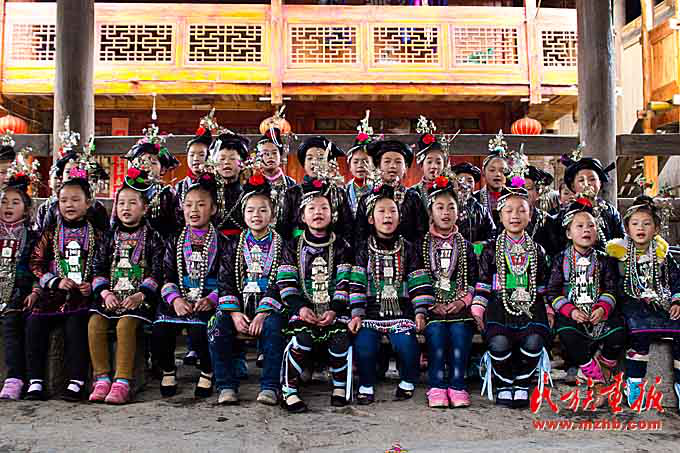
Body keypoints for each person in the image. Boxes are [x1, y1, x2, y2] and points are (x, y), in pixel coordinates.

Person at [349, 183, 435, 404]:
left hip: (401, 312)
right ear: (371, 219)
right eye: (381, 211)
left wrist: (420, 312)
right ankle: (366, 384)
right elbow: (357, 283)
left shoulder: (409, 248)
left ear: (400, 217)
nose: (387, 215)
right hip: (370, 313)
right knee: (365, 347)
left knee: (408, 346)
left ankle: (407, 380)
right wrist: (357, 314)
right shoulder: (363, 249)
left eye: (392, 211)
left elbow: (418, 281)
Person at [88, 168, 164, 404]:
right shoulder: (109, 236)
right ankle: (102, 378)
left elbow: (158, 271)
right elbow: (98, 268)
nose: (126, 208)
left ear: (145, 208)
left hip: (139, 301)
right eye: (121, 203)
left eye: (132, 203)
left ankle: (122, 381)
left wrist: (141, 294)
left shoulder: (153, 237)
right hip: (110, 299)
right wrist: (105, 292)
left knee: (125, 325)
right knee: (95, 323)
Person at [473, 183, 553, 409]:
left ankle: (522, 382)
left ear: (530, 215)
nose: (515, 215)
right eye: (508, 211)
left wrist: (548, 309)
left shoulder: (538, 250)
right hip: (500, 305)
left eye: (521, 210)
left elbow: (543, 285)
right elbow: (483, 283)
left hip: (531, 306)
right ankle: (504, 382)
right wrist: (478, 308)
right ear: (500, 216)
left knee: (534, 340)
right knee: (499, 342)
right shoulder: (491, 249)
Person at [208, 174, 286, 406]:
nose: (256, 215)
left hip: (270, 308)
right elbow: (225, 280)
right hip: (238, 307)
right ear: (243, 214)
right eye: (250, 210)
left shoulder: (283, 245)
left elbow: (283, 281)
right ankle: (226, 385)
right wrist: (233, 312)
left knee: (275, 327)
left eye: (263, 210)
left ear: (272, 215)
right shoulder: (232, 245)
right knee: (217, 325)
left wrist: (262, 313)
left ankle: (270, 386)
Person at [277, 177, 354, 412]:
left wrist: (334, 310)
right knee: (302, 339)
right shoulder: (292, 246)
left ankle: (339, 386)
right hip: (303, 310)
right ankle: (288, 390)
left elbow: (344, 282)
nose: (318, 213)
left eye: (323, 208)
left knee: (340, 339)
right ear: (302, 216)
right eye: (311, 208)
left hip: (334, 311)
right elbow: (286, 282)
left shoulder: (342, 247)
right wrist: (300, 308)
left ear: (333, 214)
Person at [26, 175, 106, 401]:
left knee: (76, 325)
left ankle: (76, 381)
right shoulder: (50, 232)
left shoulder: (98, 235)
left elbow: (105, 265)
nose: (69, 205)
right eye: (63, 200)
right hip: (52, 294)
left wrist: (92, 285)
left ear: (88, 203)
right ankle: (35, 381)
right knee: (33, 323)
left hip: (83, 297)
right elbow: (35, 262)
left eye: (75, 199)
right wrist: (55, 281)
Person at [547, 196, 625, 408]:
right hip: (573, 313)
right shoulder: (560, 259)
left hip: (598, 313)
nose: (586, 230)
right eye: (579, 226)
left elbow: (611, 288)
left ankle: (604, 367)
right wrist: (571, 311)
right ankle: (598, 380)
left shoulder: (604, 260)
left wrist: (602, 308)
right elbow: (552, 292)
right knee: (569, 336)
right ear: (568, 233)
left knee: (618, 333)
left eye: (591, 225)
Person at [606, 196, 680, 410]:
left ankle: (679, 384)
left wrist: (676, 301)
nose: (641, 228)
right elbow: (611, 283)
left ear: (656, 229)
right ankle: (634, 384)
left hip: (660, 301)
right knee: (640, 333)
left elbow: (676, 279)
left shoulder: (662, 254)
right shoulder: (619, 255)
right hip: (631, 303)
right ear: (627, 229)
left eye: (647, 223)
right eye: (635, 223)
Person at [154, 172, 224, 398]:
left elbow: (227, 278)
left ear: (213, 209)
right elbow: (166, 275)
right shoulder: (174, 240)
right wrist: (175, 300)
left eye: (201, 205)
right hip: (179, 296)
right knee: (161, 328)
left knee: (199, 329)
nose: (194, 210)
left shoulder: (223, 241)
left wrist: (211, 299)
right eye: (188, 205)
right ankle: (168, 369)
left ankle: (207, 371)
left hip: (208, 298)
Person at [417, 175, 477, 408]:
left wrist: (463, 301)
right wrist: (429, 304)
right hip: (432, 309)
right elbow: (416, 278)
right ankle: (436, 385)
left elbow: (474, 278)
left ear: (458, 212)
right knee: (437, 338)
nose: (445, 213)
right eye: (439, 207)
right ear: (430, 212)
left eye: (451, 207)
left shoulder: (466, 246)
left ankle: (457, 385)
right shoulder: (421, 245)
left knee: (460, 337)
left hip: (459, 308)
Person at [0, 150, 41, 400]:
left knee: (11, 325)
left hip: (17, 291)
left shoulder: (32, 236)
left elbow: (38, 265)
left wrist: (35, 290)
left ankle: (15, 378)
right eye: (4, 201)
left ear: (26, 210)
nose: (8, 206)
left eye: (15, 202)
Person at [278, 136, 353, 244]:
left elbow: (348, 228)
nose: (314, 162)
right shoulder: (293, 193)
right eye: (309, 158)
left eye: (321, 158)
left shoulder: (338, 192)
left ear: (329, 162)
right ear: (304, 163)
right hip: (299, 248)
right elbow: (284, 229)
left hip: (333, 247)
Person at [355, 140, 428, 244]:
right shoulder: (367, 199)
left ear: (405, 168)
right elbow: (360, 235)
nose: (392, 166)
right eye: (387, 161)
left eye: (398, 162)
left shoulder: (413, 197)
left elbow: (421, 233)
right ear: (378, 166)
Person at [122, 126, 180, 239]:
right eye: (141, 161)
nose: (146, 166)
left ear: (162, 169)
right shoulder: (126, 191)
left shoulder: (168, 194)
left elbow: (176, 226)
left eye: (153, 162)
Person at [209, 131, 249, 237]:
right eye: (222, 159)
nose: (226, 162)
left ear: (242, 163)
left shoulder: (248, 191)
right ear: (214, 163)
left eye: (232, 158)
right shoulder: (208, 191)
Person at [256, 126, 296, 228]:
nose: (270, 156)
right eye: (265, 153)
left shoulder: (291, 183)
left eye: (274, 153)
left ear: (280, 156)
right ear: (259, 157)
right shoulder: (253, 183)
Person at [450, 162, 495, 250]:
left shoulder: (481, 210)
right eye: (460, 180)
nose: (465, 184)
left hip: (476, 253)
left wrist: (483, 244)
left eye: (470, 181)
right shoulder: (447, 207)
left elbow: (493, 234)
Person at [408, 116, 448, 208]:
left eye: (438, 162)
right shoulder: (412, 193)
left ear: (444, 165)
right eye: (429, 162)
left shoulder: (450, 190)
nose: (434, 166)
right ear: (421, 165)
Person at [473, 132, 509, 229]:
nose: (498, 174)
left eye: (502, 171)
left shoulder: (513, 198)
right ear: (483, 173)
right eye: (492, 170)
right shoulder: (474, 199)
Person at [345, 111, 375, 217]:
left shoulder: (379, 188)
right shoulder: (345, 190)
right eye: (355, 161)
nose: (360, 165)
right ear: (350, 166)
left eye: (365, 161)